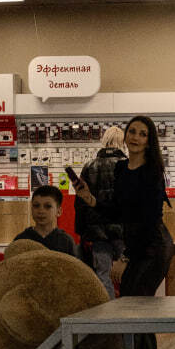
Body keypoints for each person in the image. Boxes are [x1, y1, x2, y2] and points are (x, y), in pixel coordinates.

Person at [76, 115, 173, 349]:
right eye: (133, 132)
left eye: (143, 134)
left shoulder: (152, 173)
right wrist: (91, 199)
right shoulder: (121, 168)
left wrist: (125, 257)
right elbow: (119, 211)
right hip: (136, 244)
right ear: (125, 135)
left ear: (149, 141)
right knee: (136, 309)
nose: (136, 138)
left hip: (152, 246)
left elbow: (149, 221)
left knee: (135, 307)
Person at [73, 125, 127, 297]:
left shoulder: (89, 166)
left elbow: (80, 202)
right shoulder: (128, 166)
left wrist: (81, 231)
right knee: (127, 272)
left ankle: (106, 314)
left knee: (103, 274)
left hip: (97, 233)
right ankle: (131, 313)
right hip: (123, 232)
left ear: (104, 141)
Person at [13, 185, 78, 256]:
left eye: (48, 206)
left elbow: (73, 266)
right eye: (36, 206)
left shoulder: (66, 242)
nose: (41, 211)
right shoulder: (21, 240)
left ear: (59, 211)